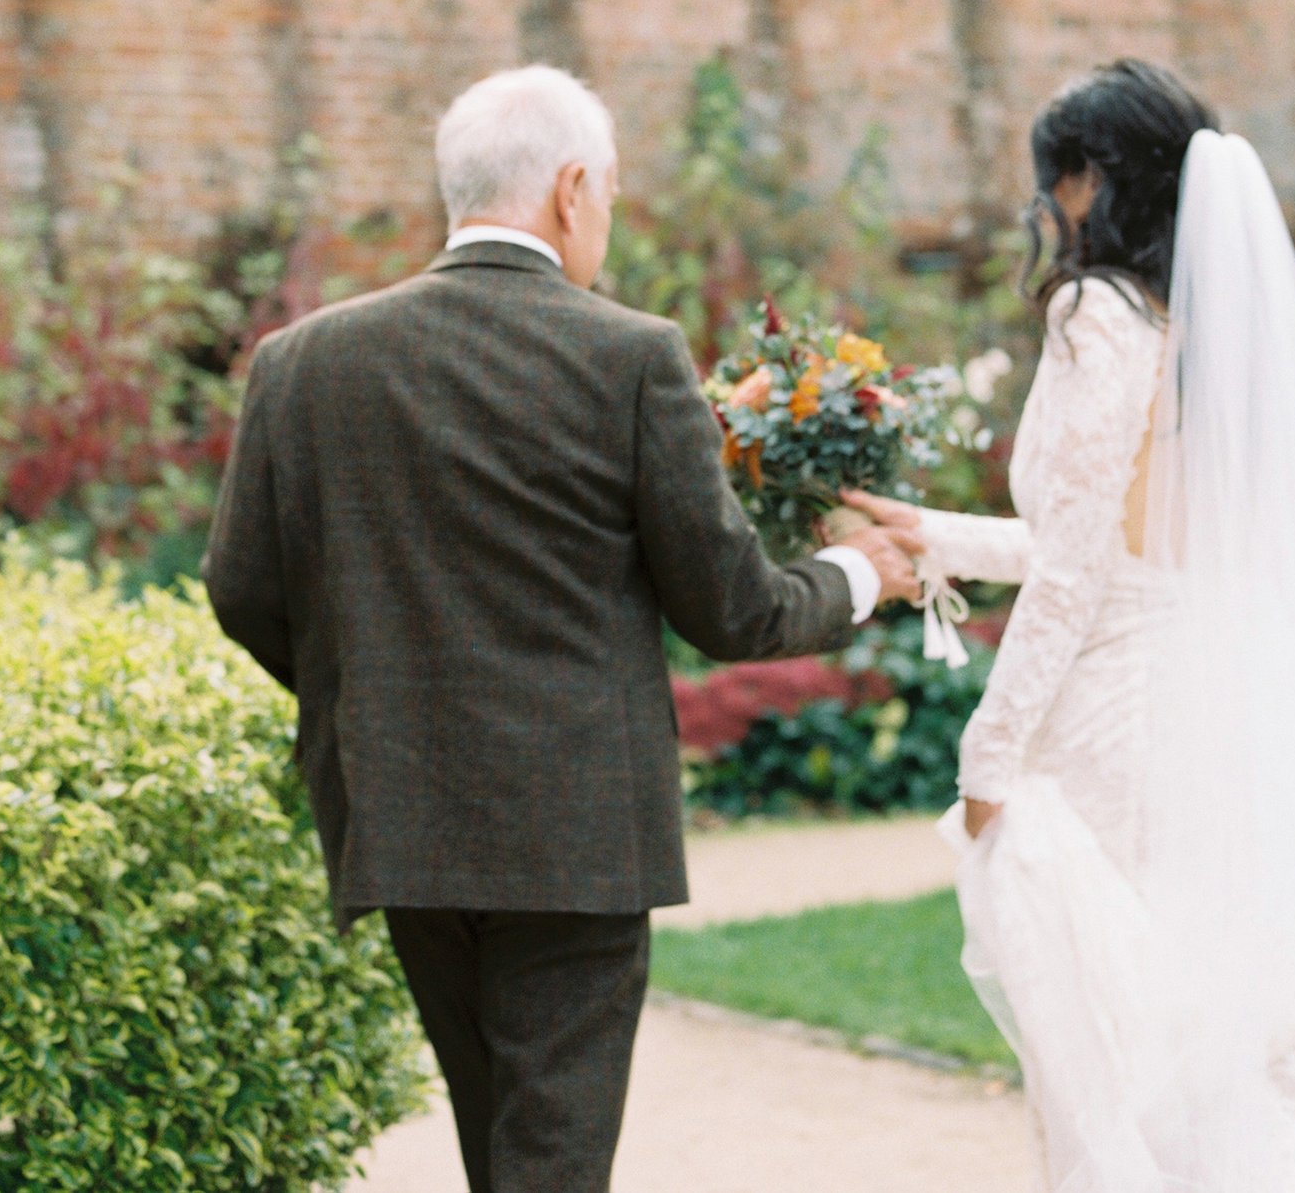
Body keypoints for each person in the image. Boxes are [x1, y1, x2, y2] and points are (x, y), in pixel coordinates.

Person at [204, 64, 926, 1193]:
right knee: (552, 1161)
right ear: (572, 187)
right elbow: (733, 607)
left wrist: (378, 697)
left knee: (500, 1139)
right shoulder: (630, 355)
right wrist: (855, 572)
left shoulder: (302, 363)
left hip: (404, 819)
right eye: (612, 195)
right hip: (576, 835)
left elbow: (241, 588)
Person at [847, 58, 1295, 1191]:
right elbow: (1113, 546)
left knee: (1101, 1041)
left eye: (1054, 180)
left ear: (1089, 182)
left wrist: (990, 750)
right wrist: (932, 534)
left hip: (1111, 730)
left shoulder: (1097, 314)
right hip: (1205, 715)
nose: (1046, 205)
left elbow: (1079, 571)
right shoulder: (1204, 331)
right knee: (1204, 1023)